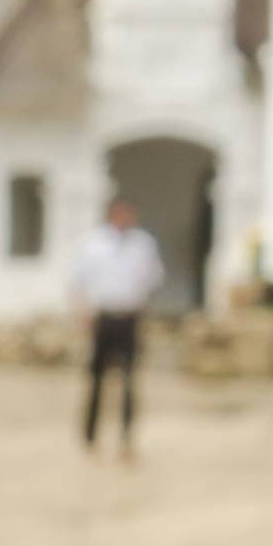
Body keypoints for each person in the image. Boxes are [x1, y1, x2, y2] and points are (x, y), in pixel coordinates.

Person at [74, 194, 166, 458]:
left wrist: (144, 307)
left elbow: (153, 279)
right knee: (97, 381)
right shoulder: (93, 244)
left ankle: (126, 439)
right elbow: (79, 280)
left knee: (129, 381)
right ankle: (90, 438)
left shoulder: (143, 245)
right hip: (103, 316)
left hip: (129, 317)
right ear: (112, 215)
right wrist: (84, 312)